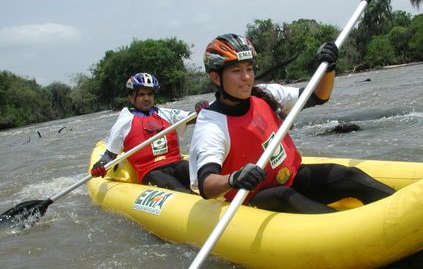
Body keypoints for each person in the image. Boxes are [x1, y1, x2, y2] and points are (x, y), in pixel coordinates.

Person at [189, 33, 395, 213]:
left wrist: (329, 68)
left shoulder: (265, 94)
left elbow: (319, 96)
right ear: (216, 78)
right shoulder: (211, 124)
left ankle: (397, 209)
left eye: (249, 68)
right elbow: (207, 184)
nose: (246, 77)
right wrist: (233, 178)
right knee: (283, 195)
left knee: (349, 176)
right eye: (236, 71)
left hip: (291, 176)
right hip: (252, 199)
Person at [91, 72, 208, 193]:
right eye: (141, 94)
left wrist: (202, 110)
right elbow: (109, 155)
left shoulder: (166, 114)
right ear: (131, 97)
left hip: (176, 163)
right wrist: (101, 164)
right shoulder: (124, 122)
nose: (147, 98)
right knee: (179, 189)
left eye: (150, 94)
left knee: (202, 176)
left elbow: (193, 117)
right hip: (151, 171)